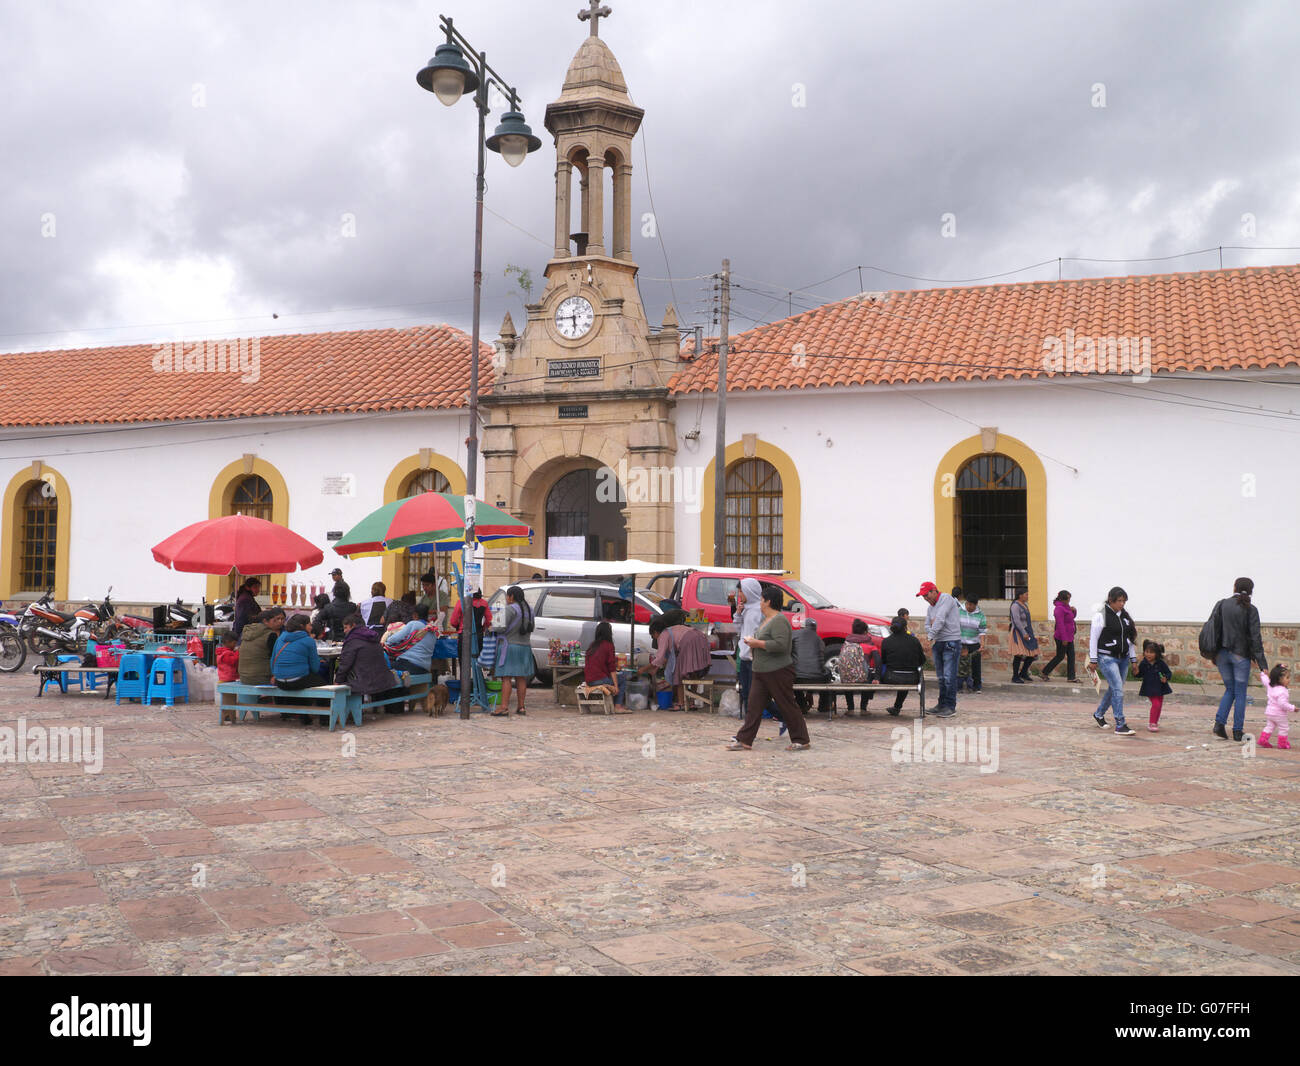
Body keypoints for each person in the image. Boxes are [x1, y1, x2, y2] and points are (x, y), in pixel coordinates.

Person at [727, 586, 811, 751]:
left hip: (777, 670)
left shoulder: (779, 620)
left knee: (787, 704)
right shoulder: (766, 620)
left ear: (768, 602)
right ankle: (744, 739)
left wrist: (757, 643)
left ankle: (801, 739)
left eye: (761, 600)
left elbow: (781, 645)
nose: (760, 603)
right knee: (754, 705)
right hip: (760, 670)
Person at [1210, 577, 1270, 742]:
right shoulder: (1251, 609)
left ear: (1234, 587)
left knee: (1230, 689)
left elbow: (1213, 629)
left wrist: (1214, 653)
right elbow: (1255, 638)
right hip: (1240, 655)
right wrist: (1263, 665)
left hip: (1222, 654)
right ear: (1251, 591)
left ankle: (1219, 724)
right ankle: (1237, 731)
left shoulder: (1222, 604)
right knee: (1240, 693)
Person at [1088, 586, 1138, 736]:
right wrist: (1093, 659)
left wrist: (1133, 660)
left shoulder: (1125, 617)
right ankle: (1120, 724)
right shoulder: (1101, 616)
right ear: (1111, 600)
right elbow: (1094, 638)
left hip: (1123, 658)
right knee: (1117, 688)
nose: (1122, 604)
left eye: (1124, 601)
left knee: (1115, 688)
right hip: (1106, 657)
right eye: (1119, 601)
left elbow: (1130, 640)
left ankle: (1099, 714)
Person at [336, 612, 405, 710]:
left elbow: (345, 664)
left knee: (343, 679)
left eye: (346, 627)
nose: (344, 631)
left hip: (364, 681)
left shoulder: (352, 640)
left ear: (353, 626)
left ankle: (347, 712)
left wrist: (337, 681)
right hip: (382, 679)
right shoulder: (372, 636)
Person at [642, 617, 711, 711]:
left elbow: (659, 658)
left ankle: (681, 704)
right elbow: (666, 658)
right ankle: (691, 703)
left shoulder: (663, 635)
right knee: (695, 672)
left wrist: (643, 669)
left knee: (678, 673)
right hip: (701, 638)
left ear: (655, 632)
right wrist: (655, 669)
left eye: (652, 636)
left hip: (688, 641)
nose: (654, 638)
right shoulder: (672, 629)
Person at [271, 615, 327, 725]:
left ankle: (304, 717)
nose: (311, 627)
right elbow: (315, 668)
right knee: (323, 685)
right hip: (297, 681)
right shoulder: (308, 640)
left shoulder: (281, 637)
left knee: (302, 680)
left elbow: (272, 660)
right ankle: (325, 719)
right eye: (309, 624)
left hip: (280, 681)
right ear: (302, 626)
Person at [917, 580, 959, 718]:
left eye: (926, 595)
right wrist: (932, 630)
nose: (925, 598)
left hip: (950, 641)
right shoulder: (930, 608)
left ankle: (950, 706)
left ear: (934, 590)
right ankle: (941, 704)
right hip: (939, 642)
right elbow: (927, 625)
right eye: (923, 597)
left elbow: (939, 620)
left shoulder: (946, 599)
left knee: (949, 677)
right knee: (941, 677)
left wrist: (929, 636)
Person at [494, 585, 536, 717]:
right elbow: (532, 627)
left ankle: (504, 707)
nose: (506, 598)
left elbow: (498, 628)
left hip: (509, 647)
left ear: (511, 597)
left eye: (507, 595)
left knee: (506, 677)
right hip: (524, 648)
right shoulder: (530, 610)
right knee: (521, 678)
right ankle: (521, 707)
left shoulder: (509, 609)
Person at [733, 578, 765, 722]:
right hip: (745, 657)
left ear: (749, 591)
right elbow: (739, 630)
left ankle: (783, 717)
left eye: (741, 591)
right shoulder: (747, 609)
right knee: (746, 693)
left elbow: (753, 636)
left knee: (753, 695)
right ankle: (749, 723)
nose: (740, 594)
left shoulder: (757, 611)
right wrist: (738, 614)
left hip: (753, 659)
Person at [879, 615, 925, 715]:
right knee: (904, 677)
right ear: (905, 627)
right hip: (912, 678)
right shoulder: (914, 641)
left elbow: (883, 661)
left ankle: (863, 707)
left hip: (891, 677)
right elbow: (922, 660)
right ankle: (897, 707)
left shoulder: (886, 642)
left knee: (897, 676)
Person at [382, 603, 440, 679]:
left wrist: (387, 638)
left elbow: (392, 640)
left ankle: (399, 674)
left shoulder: (414, 624)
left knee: (382, 668)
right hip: (425, 668)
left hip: (408, 665)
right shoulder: (433, 631)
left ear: (415, 615)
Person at [838, 618, 881, 714]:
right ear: (865, 631)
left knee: (848, 672)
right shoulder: (869, 644)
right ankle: (863, 708)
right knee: (869, 674)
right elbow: (878, 660)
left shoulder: (846, 643)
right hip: (864, 678)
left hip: (847, 678)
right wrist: (877, 677)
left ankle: (850, 708)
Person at [792, 617, 833, 716]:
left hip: (798, 677)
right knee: (828, 672)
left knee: (794, 672)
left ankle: (801, 705)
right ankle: (824, 705)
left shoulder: (794, 635)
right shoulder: (820, 640)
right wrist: (810, 693)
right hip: (818, 678)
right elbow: (816, 664)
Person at [583, 621, 626, 709]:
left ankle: (615, 703)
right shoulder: (609, 645)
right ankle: (618, 705)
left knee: (616, 679)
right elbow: (612, 668)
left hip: (589, 680)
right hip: (599, 680)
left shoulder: (592, 645)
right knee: (623, 677)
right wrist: (616, 686)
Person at [237, 607, 284, 685]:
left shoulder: (247, 631)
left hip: (244, 677)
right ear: (265, 621)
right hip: (261, 677)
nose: (276, 623)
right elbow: (276, 656)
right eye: (274, 620)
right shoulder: (270, 634)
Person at [1136, 639, 1173, 733]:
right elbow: (1139, 674)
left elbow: (1168, 673)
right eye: (1147, 652)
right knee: (1155, 704)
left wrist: (1165, 677)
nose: (1148, 654)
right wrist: (1135, 672)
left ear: (1156, 653)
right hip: (1149, 687)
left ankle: (1155, 722)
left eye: (1151, 652)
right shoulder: (1144, 663)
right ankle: (1151, 723)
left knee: (1159, 705)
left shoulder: (1161, 663)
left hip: (1161, 687)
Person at [1041, 590, 1079, 682]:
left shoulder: (1066, 606)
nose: (1069, 601)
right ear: (1063, 599)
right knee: (1060, 656)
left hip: (1069, 637)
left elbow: (1071, 618)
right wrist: (1064, 638)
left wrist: (1074, 611)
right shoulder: (1059, 609)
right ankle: (1044, 672)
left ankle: (1071, 677)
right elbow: (1060, 624)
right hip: (1062, 638)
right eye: (1068, 599)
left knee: (1071, 656)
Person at [1258, 664, 1295, 750]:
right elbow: (1283, 704)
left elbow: (1265, 680)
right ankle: (1282, 744)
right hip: (1279, 714)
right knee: (1284, 728)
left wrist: (1263, 674)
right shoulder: (1283, 691)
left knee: (1269, 726)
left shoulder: (1270, 685)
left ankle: (1263, 740)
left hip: (1269, 712)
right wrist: (1293, 708)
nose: (1289, 680)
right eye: (1287, 678)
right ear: (1279, 679)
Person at [447, 589, 492, 655]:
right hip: (478, 634)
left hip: (464, 634)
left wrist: (458, 626)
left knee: (463, 661)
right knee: (477, 659)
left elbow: (453, 621)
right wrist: (483, 627)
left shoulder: (461, 602)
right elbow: (489, 620)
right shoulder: (484, 603)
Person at [1009, 587, 1040, 683]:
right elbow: (1017, 621)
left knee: (1032, 653)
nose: (1027, 596)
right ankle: (1015, 676)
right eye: (1026, 594)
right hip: (1019, 633)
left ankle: (1023, 672)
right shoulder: (1015, 606)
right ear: (1020, 595)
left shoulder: (1025, 605)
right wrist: (1024, 633)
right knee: (1019, 654)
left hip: (1027, 631)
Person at [957, 595, 987, 693]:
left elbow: (982, 631)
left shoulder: (981, 615)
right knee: (959, 666)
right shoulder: (958, 611)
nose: (969, 607)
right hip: (960, 643)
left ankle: (976, 686)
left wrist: (982, 644)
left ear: (976, 605)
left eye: (972, 605)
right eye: (968, 604)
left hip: (974, 643)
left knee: (975, 665)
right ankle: (958, 686)